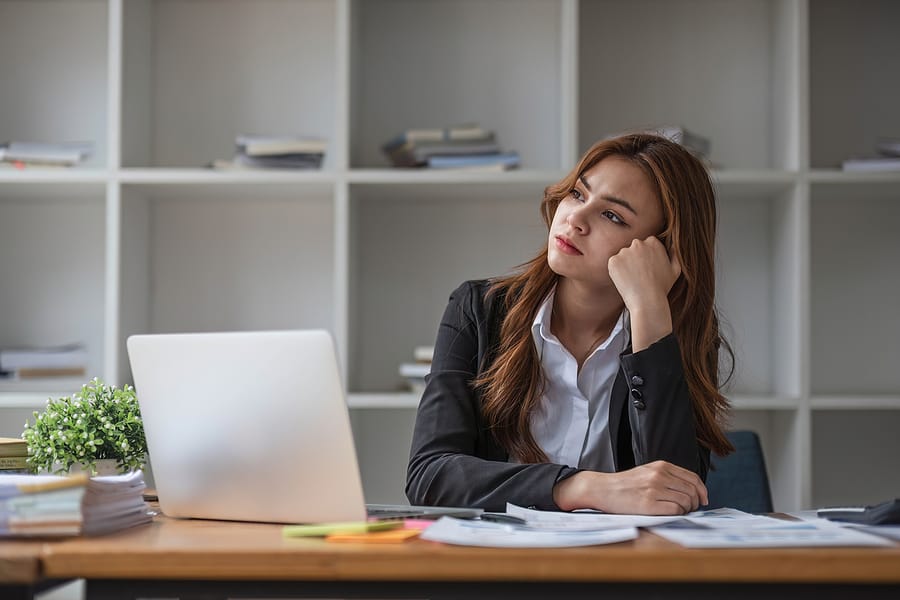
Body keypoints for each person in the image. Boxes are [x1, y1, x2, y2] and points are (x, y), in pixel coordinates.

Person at [406, 133, 735, 516]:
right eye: (578, 194)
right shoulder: (478, 310)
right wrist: (580, 486)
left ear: (662, 249)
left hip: (623, 566)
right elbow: (429, 477)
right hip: (496, 562)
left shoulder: (674, 332)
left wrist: (650, 310)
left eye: (612, 215)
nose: (575, 219)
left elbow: (676, 493)